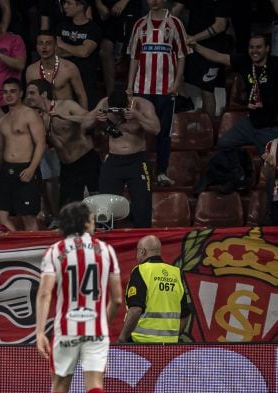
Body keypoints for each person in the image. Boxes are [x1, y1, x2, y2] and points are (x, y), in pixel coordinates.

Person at [35, 201, 123, 393]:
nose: (94, 221)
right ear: (85, 222)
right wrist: (103, 323)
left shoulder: (55, 251)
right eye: (92, 218)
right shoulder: (106, 250)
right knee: (95, 384)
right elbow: (117, 299)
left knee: (60, 385)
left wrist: (40, 331)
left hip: (66, 328)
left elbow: (44, 293)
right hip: (96, 328)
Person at [190, 33, 278, 193]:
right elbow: (217, 56)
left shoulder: (276, 64)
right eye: (252, 47)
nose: (254, 51)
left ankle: (272, 210)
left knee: (273, 171)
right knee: (225, 143)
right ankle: (239, 176)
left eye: (258, 47)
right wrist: (195, 46)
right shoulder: (244, 61)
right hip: (250, 123)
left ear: (267, 48)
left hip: (270, 129)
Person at [126, 0, 189, 187]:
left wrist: (177, 82)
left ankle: (162, 172)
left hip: (166, 87)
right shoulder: (139, 24)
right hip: (142, 88)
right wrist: (130, 86)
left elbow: (182, 55)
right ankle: (138, 172)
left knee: (163, 132)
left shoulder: (175, 24)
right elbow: (134, 57)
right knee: (139, 130)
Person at [82, 90, 160, 228]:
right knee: (104, 206)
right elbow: (85, 124)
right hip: (114, 161)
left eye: (120, 110)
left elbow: (156, 129)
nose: (117, 114)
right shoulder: (105, 103)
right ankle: (106, 241)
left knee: (142, 206)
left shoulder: (142, 105)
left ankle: (143, 240)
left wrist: (137, 116)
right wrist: (96, 116)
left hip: (137, 161)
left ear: (127, 102)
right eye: (114, 110)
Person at [24, 78, 100, 211]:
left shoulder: (66, 106)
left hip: (86, 160)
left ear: (44, 94)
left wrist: (65, 117)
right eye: (27, 94)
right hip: (66, 166)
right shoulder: (37, 118)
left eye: (32, 93)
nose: (28, 97)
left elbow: (88, 118)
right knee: (68, 209)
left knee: (99, 202)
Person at [0, 78, 45, 231]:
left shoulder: (30, 114)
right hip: (6, 170)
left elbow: (41, 144)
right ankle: (17, 244)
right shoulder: (3, 121)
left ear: (21, 93)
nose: (9, 95)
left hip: (26, 168)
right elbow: (1, 150)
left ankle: (32, 252)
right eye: (5, 92)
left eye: (13, 91)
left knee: (28, 216)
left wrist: (32, 168)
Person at [118, 235, 191, 343]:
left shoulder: (141, 271)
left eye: (137, 251)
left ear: (142, 251)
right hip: (170, 346)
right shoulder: (176, 273)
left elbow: (135, 309)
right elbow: (185, 314)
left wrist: (122, 339)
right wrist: (172, 337)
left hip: (140, 344)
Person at [172, 0, 230, 118]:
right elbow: (175, 10)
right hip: (190, 44)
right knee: (176, 75)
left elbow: (220, 25)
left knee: (207, 90)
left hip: (212, 48)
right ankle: (186, 104)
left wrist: (193, 38)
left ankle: (210, 130)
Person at [57, 0, 103, 109]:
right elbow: (55, 51)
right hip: (64, 76)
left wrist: (62, 44)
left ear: (80, 6)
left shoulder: (93, 29)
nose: (65, 6)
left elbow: (84, 52)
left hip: (86, 77)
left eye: (68, 3)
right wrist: (76, 51)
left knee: (86, 112)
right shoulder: (61, 25)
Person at [25, 29, 87, 108]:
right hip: (42, 116)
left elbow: (81, 96)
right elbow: (29, 99)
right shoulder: (31, 70)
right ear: (36, 46)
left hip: (65, 116)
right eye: (40, 43)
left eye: (48, 43)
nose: (44, 47)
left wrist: (84, 117)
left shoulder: (69, 68)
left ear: (55, 46)